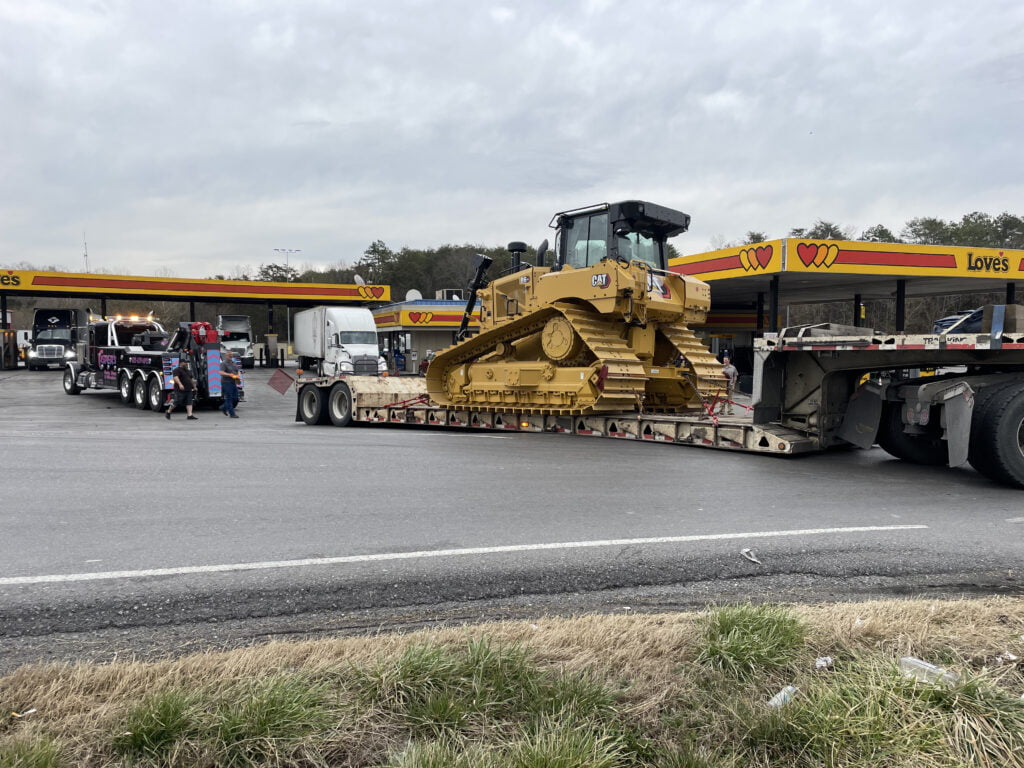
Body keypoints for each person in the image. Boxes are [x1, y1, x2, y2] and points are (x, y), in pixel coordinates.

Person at [219, 350, 240, 418]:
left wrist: (238, 375)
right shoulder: (224, 363)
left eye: (231, 355)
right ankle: (232, 414)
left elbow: (238, 370)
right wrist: (229, 375)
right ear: (226, 356)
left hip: (234, 382)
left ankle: (223, 407)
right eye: (229, 355)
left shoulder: (233, 362)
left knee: (235, 398)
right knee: (229, 398)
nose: (230, 356)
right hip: (226, 383)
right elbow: (220, 372)